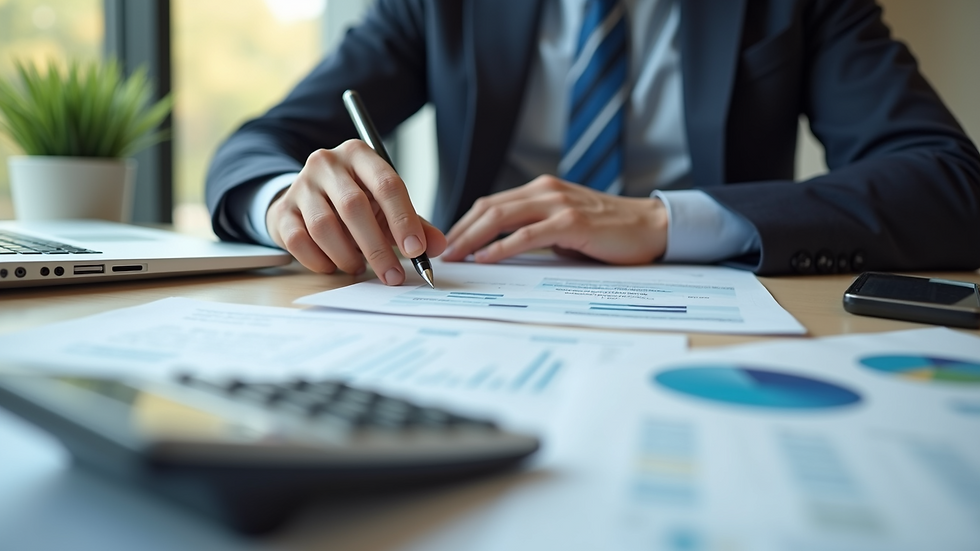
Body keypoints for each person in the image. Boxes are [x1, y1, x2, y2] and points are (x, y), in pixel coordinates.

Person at [206, 0, 980, 287]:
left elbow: (950, 183)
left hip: (711, 324)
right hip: (467, 311)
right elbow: (258, 146)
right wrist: (288, 198)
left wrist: (663, 220)